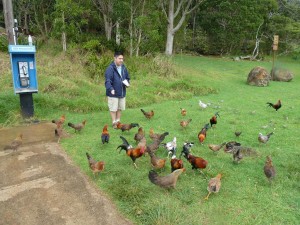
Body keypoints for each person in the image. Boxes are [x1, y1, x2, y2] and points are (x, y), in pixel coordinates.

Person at [105, 52, 130, 128]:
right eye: (119, 58)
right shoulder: (110, 68)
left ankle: (118, 121)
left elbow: (127, 77)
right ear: (115, 58)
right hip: (113, 93)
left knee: (119, 108)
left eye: (122, 58)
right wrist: (111, 89)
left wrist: (127, 83)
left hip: (122, 92)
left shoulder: (123, 68)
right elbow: (108, 81)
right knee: (113, 108)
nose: (121, 60)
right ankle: (114, 123)